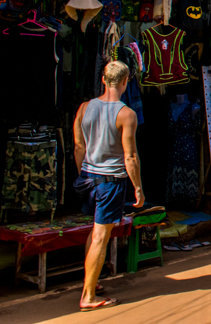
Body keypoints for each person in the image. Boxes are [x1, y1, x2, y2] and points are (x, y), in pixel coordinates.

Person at [72, 61, 143, 312]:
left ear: (103, 79)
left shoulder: (84, 108)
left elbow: (78, 146)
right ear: (126, 82)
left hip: (88, 178)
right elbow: (130, 156)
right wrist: (138, 188)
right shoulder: (126, 114)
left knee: (95, 232)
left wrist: (83, 172)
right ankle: (88, 295)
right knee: (102, 235)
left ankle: (91, 282)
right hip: (110, 181)